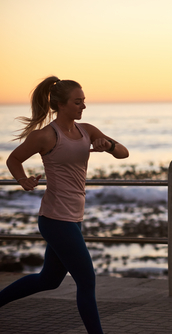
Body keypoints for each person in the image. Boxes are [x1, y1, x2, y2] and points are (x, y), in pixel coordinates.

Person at [0, 76, 129, 333]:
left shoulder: (87, 131)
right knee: (87, 280)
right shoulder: (45, 136)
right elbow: (14, 159)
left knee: (48, 280)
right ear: (60, 104)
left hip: (74, 217)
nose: (83, 107)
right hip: (55, 219)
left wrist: (108, 145)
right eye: (77, 102)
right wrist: (23, 180)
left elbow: (123, 153)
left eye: (84, 102)